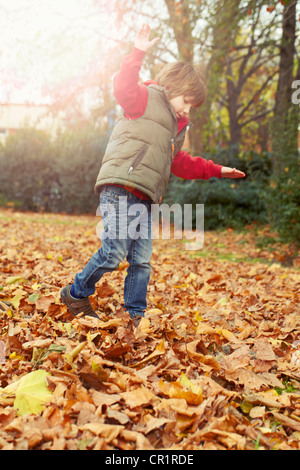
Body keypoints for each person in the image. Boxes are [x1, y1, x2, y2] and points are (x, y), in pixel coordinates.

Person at [60, 24, 245, 326]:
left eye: (192, 107)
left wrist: (216, 170)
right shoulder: (143, 98)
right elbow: (122, 87)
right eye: (186, 101)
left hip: (146, 197)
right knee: (113, 252)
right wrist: (138, 52)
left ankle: (135, 315)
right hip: (120, 187)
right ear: (172, 87)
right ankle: (76, 292)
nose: (188, 110)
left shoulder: (177, 125)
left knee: (141, 261)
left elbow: (179, 163)